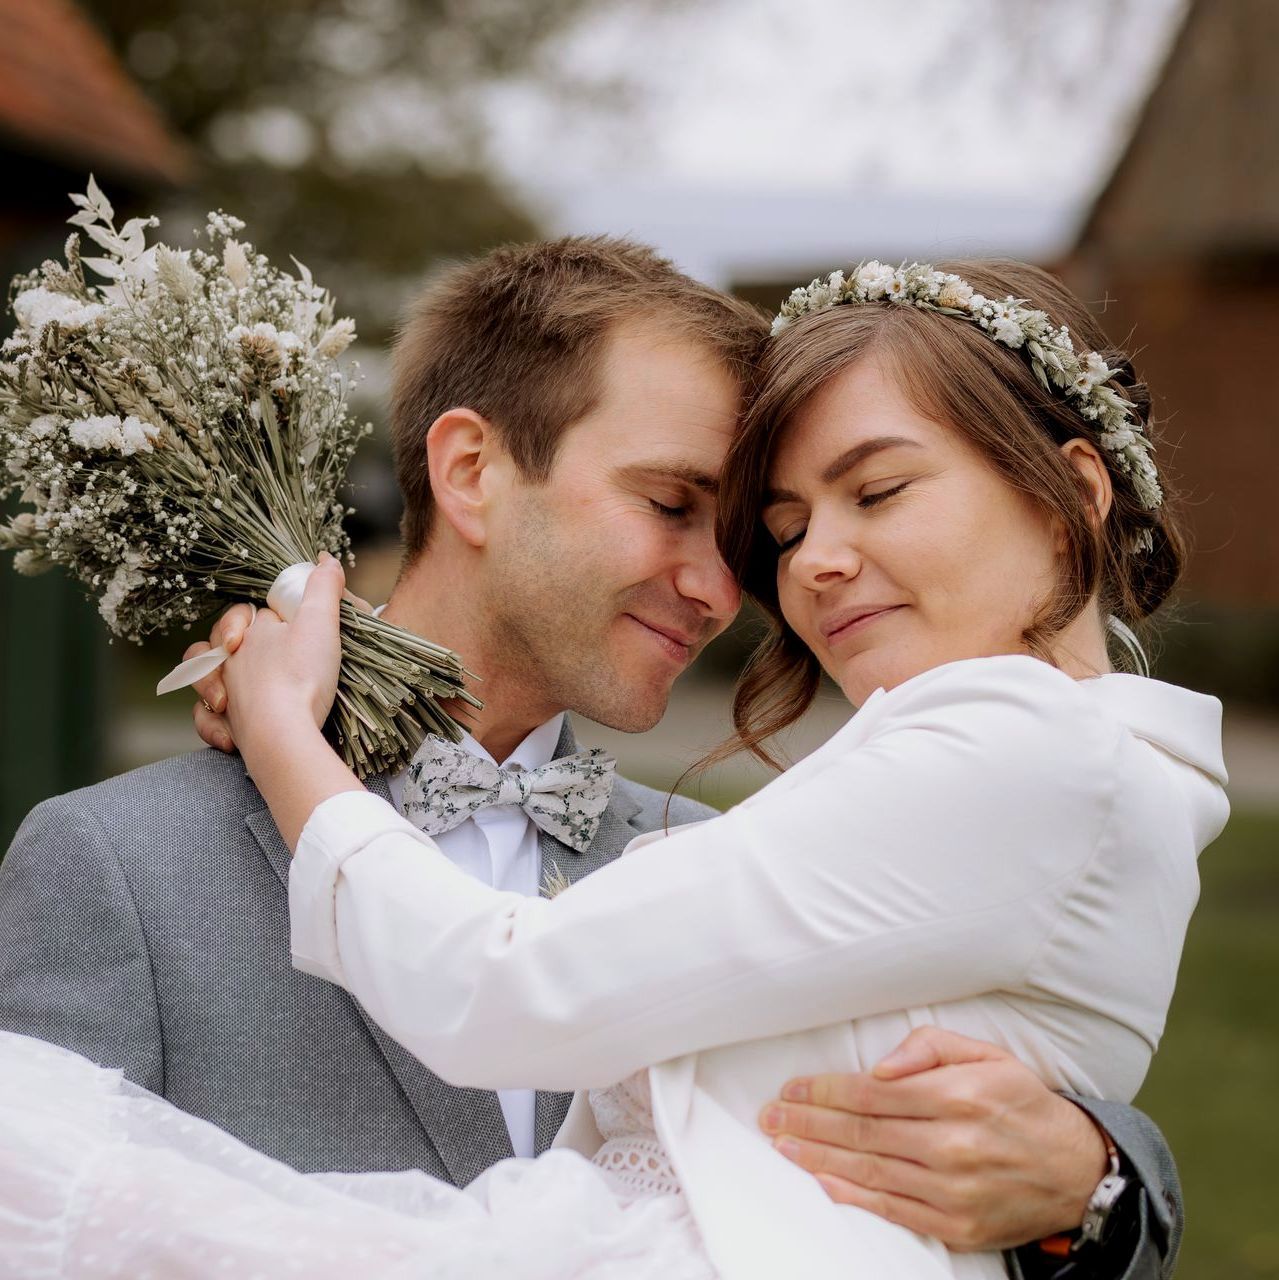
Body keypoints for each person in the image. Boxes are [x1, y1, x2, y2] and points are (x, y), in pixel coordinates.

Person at [0, 257, 1224, 1279]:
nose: (735, 584)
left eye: (741, 535)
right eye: (675, 504)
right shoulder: (119, 865)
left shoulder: (697, 844)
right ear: (472, 470)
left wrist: (1096, 1181)